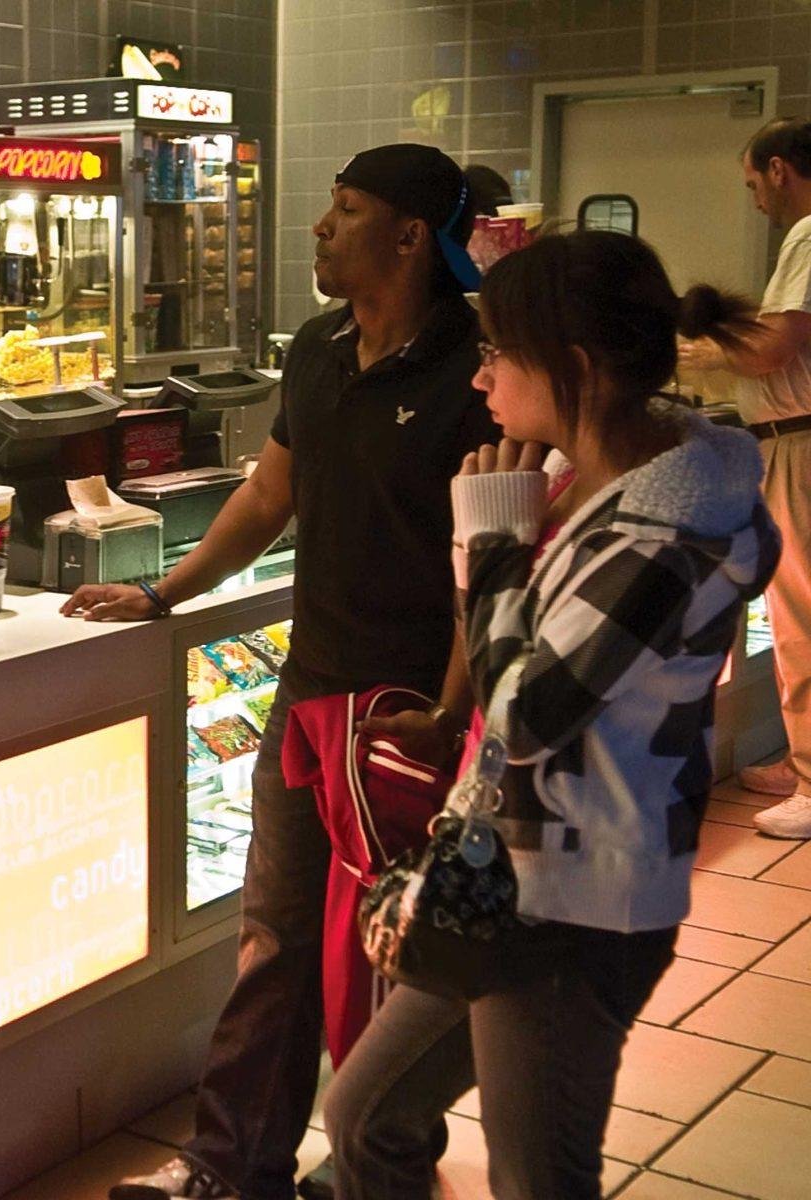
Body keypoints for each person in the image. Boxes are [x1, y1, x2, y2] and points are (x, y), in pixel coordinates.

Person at [61, 143, 500, 1200]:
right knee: (274, 937)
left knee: (398, 950)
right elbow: (269, 496)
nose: (318, 227)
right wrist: (167, 592)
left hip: (406, 716)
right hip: (310, 700)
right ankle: (231, 1167)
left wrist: (445, 712)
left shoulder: (475, 369)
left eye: (342, 210)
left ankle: (374, 1166)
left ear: (406, 237)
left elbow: (484, 561)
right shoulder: (315, 348)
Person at [323, 229, 781, 1200]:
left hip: (577, 908)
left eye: (499, 353)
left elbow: (527, 712)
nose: (481, 381)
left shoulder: (663, 534)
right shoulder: (618, 482)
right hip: (512, 883)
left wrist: (489, 536)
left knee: (537, 1176)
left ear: (574, 369)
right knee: (365, 1113)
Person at [679, 117, 811, 838]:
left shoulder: (810, 234)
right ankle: (802, 761)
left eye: (754, 182)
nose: (756, 196)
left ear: (781, 169)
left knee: (801, 619)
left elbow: (779, 345)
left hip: (798, 445)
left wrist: (709, 354)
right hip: (792, 442)